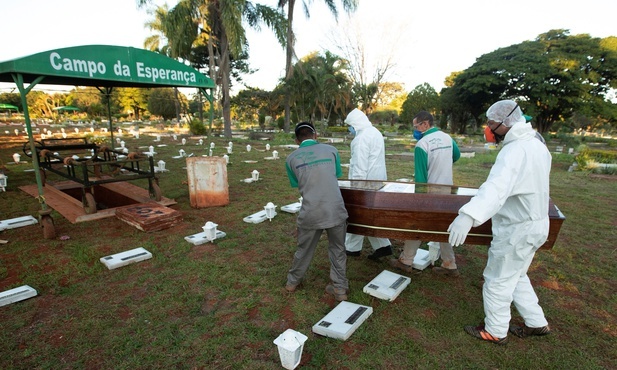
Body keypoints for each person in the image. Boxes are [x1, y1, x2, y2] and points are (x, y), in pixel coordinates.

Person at [448, 100, 552, 345]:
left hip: (518, 228)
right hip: (536, 223)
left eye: (492, 123)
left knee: (497, 279)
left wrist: (468, 216)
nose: (489, 128)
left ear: (506, 123)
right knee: (517, 275)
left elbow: (496, 188)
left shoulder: (515, 151)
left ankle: (495, 330)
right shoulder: (536, 144)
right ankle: (536, 322)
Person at [388, 111, 461, 276]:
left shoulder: (422, 144)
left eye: (416, 126)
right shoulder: (447, 138)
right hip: (447, 190)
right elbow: (456, 156)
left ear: (425, 124)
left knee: (417, 225)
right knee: (443, 226)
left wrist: (417, 200)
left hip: (430, 193)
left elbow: (421, 178)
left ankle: (406, 260)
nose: (415, 130)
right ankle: (450, 264)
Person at [284, 122, 350, 302]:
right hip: (335, 210)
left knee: (304, 249)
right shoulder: (331, 151)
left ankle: (292, 282)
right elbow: (336, 174)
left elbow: (298, 183)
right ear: (316, 135)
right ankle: (340, 289)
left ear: (297, 140)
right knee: (338, 249)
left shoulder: (291, 159)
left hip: (311, 212)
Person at [343, 108, 393, 260]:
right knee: (370, 216)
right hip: (378, 180)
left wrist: (355, 190)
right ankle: (383, 246)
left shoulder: (360, 139)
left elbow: (359, 166)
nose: (349, 129)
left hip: (364, 183)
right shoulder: (375, 132)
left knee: (357, 215)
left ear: (355, 125)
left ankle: (352, 248)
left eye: (349, 126)